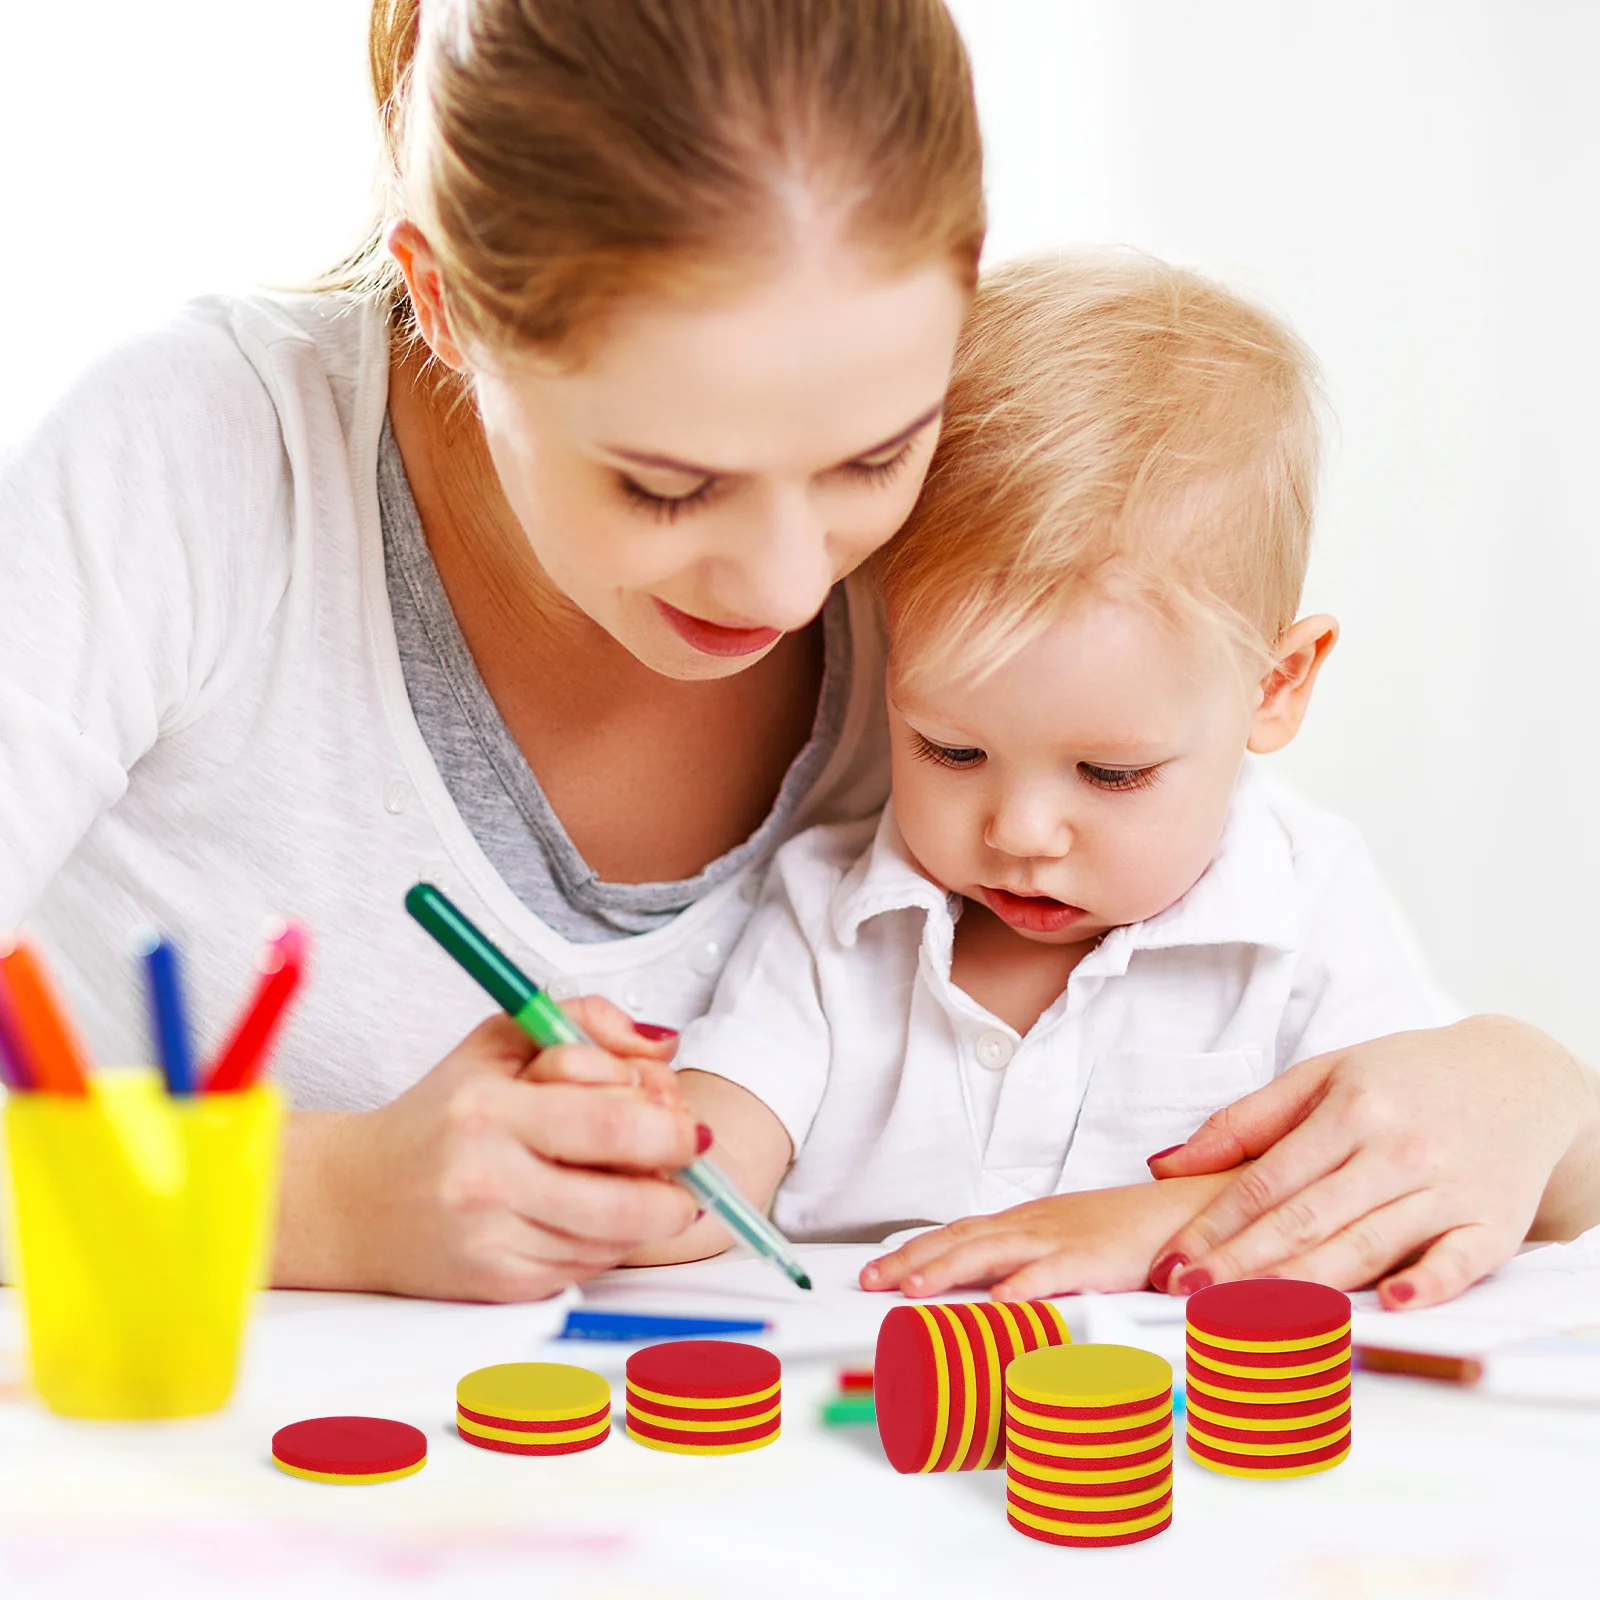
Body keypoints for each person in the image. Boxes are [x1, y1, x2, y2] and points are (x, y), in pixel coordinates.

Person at [2, 0, 1595, 1309]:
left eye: (867, 460)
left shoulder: (994, 560)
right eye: (666, 483)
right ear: (445, 301)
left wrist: (1530, 1087)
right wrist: (318, 1205)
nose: (795, 583)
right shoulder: (194, 470)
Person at [649, 255, 1600, 1310]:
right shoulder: (830, 910)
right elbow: (708, 1173)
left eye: (1110, 772)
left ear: (1273, 686)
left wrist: (1143, 1224)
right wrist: (622, 1159)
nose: (1021, 830)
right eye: (950, 750)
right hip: (869, 1425)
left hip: (1196, 1443)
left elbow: (1381, 1186)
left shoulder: (1303, 907)